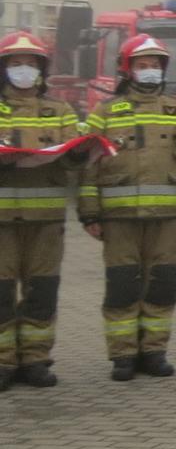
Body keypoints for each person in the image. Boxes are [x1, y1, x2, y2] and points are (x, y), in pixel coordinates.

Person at [77, 35, 176, 382]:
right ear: (127, 69)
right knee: (122, 287)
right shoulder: (104, 113)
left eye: (155, 65)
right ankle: (122, 356)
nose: (149, 71)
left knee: (162, 285)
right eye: (142, 65)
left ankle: (154, 352)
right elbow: (88, 167)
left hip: (166, 221)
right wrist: (89, 214)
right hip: (117, 220)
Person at [0, 31, 82, 390]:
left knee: (42, 293)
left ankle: (36, 360)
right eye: (16, 63)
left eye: (30, 63)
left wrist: (79, 153)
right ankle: (3, 363)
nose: (23, 70)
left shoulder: (60, 110)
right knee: (1, 295)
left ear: (41, 69)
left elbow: (73, 155)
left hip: (47, 223)